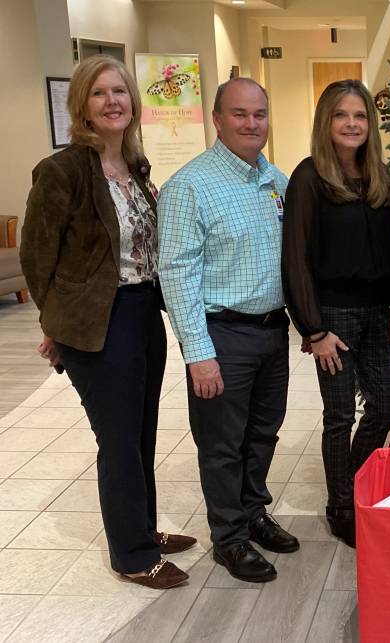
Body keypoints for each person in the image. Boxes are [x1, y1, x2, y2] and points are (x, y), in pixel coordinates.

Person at [19, 55, 194, 589]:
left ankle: (140, 526)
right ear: (82, 106)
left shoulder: (136, 167)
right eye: (100, 94)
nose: (113, 101)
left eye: (120, 91)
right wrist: (57, 326)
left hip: (142, 313)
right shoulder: (63, 170)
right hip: (99, 325)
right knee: (117, 439)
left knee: (142, 433)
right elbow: (36, 258)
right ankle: (133, 554)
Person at [158, 77, 299, 583]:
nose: (251, 123)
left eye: (259, 114)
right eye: (239, 114)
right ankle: (229, 538)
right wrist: (199, 353)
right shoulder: (188, 187)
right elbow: (175, 274)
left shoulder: (276, 181)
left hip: (270, 332)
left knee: (264, 433)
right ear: (217, 119)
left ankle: (254, 512)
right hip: (222, 337)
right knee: (222, 443)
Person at [282, 80, 390, 548]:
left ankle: (352, 482)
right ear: (325, 122)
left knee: (386, 406)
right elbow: (295, 259)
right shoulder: (310, 178)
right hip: (333, 317)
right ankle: (340, 507)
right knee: (338, 416)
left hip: (376, 313)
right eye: (341, 116)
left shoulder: (378, 177)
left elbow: (389, 253)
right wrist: (314, 329)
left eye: (360, 116)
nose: (352, 124)